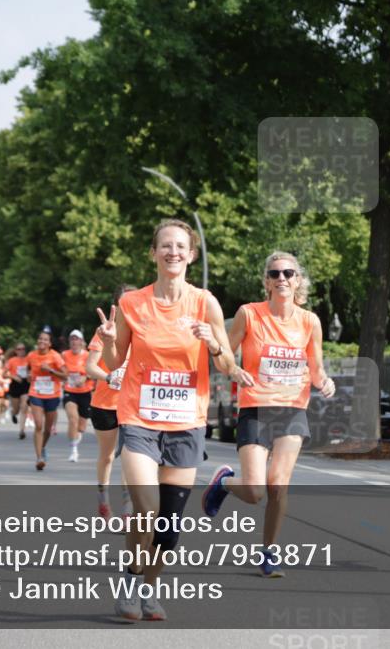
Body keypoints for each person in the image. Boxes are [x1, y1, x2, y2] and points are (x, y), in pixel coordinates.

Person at [98, 219, 236, 622]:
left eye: (180, 246)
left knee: (169, 525)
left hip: (187, 422)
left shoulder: (205, 302)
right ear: (153, 253)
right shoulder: (133, 304)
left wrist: (212, 344)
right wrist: (108, 344)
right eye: (165, 246)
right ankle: (131, 579)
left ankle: (147, 590)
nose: (173, 252)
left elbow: (228, 364)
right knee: (147, 508)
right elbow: (113, 363)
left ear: (191, 255)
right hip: (139, 418)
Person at [200, 251, 334, 577]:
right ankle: (225, 483)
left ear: (298, 280)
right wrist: (234, 372)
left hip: (292, 409)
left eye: (288, 273)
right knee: (255, 491)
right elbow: (225, 354)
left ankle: (269, 553)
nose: (282, 279)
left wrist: (324, 381)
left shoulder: (309, 321)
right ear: (267, 282)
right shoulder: (249, 314)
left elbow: (315, 368)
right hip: (256, 407)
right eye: (275, 274)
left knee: (278, 486)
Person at [86, 285, 137, 520]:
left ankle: (128, 507)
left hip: (133, 406)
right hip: (105, 404)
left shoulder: (142, 332)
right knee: (107, 456)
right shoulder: (104, 331)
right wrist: (108, 376)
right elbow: (90, 367)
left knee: (129, 454)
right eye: (124, 302)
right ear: (116, 305)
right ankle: (103, 499)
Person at [26, 330, 66, 470]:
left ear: (49, 343)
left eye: (45, 340)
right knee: (38, 425)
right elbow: (27, 370)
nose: (42, 341)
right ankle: (39, 458)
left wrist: (51, 370)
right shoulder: (31, 355)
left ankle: (42, 447)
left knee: (47, 429)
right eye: (40, 339)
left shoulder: (55, 356)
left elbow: (65, 375)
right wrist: (28, 376)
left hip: (52, 395)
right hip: (35, 393)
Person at [62, 330, 93, 462]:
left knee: (81, 427)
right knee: (72, 419)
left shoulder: (88, 355)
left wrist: (85, 377)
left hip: (85, 392)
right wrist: (63, 375)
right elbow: (60, 369)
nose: (74, 342)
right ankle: (73, 450)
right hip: (70, 391)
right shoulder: (64, 355)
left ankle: (76, 437)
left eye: (77, 339)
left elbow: (94, 371)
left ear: (81, 341)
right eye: (72, 339)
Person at [6, 343, 31, 439]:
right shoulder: (12, 361)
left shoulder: (28, 360)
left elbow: (32, 370)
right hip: (15, 385)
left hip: (25, 384)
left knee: (24, 407)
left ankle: (22, 430)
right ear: (15, 351)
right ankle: (13, 413)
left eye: (23, 349)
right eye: (19, 349)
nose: (21, 351)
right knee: (16, 409)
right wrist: (13, 376)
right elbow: (4, 374)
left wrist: (30, 375)